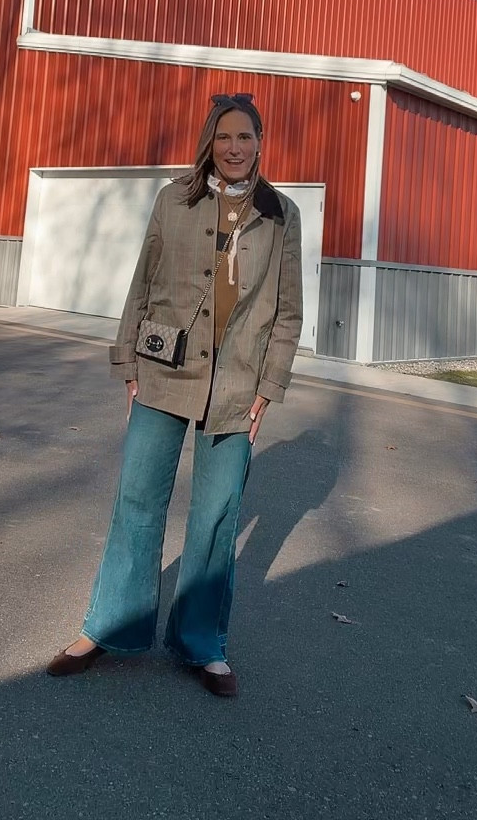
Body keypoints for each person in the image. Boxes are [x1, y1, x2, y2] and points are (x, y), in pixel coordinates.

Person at [47, 92, 303, 696]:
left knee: (216, 517)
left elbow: (288, 312)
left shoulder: (281, 214)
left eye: (245, 137)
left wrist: (270, 386)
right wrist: (127, 356)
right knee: (136, 499)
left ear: (260, 143)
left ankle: (202, 644)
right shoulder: (175, 198)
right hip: (165, 372)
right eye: (224, 137)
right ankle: (107, 628)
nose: (235, 148)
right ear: (209, 142)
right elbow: (144, 282)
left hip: (237, 384)